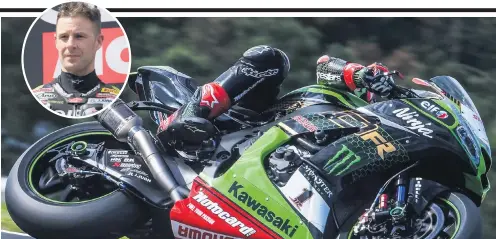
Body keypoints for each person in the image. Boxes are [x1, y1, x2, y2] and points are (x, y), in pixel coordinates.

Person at [156, 45, 396, 149]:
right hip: (254, 119)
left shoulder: (387, 135)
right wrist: (362, 73)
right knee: (270, 57)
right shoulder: (346, 92)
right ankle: (193, 113)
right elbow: (325, 65)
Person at [32, 2, 120, 117]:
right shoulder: (37, 97)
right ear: (56, 41)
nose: (70, 45)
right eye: (64, 37)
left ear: (98, 42)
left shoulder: (117, 99)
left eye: (79, 36)